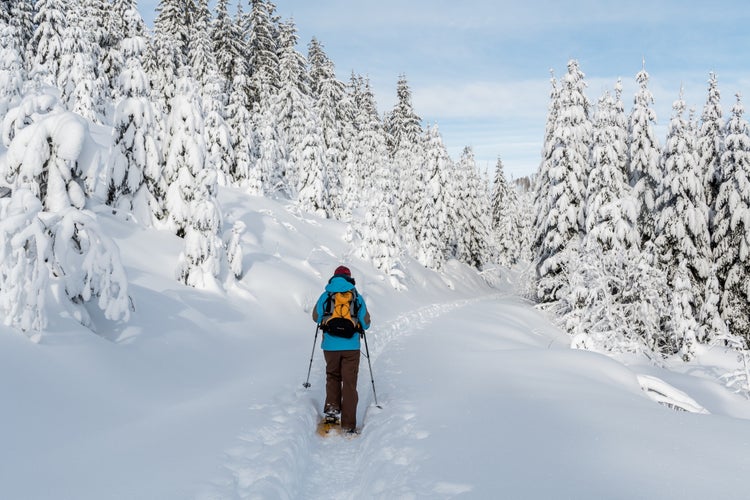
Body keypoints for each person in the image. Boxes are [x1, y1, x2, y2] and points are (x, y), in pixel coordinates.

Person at [311, 265, 371, 434]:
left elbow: (316, 317)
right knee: (350, 383)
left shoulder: (327, 294)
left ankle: (331, 412)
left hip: (330, 346)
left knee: (333, 376)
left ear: (334, 277)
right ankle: (348, 424)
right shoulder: (356, 297)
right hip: (351, 346)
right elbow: (366, 323)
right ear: (349, 278)